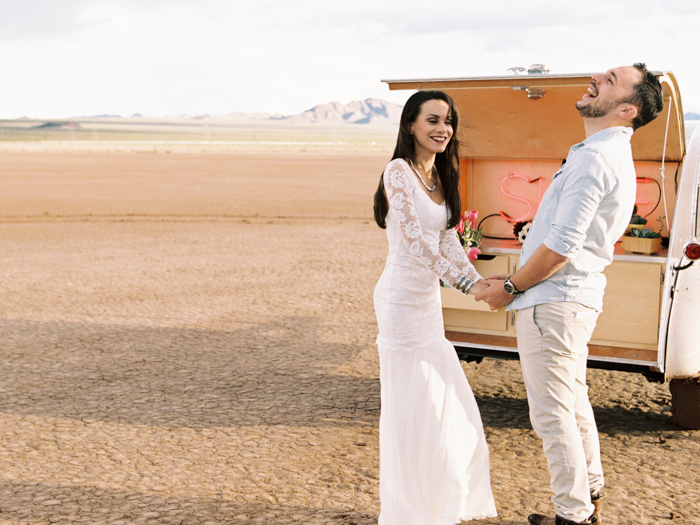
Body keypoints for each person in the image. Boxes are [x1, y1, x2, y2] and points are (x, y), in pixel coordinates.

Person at [475, 64, 664, 525]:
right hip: (570, 300)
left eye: (613, 77)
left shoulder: (594, 158)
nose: (598, 75)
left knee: (552, 416)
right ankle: (589, 494)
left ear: (626, 108)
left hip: (553, 303)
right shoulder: (602, 152)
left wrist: (509, 286)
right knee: (572, 403)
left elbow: (563, 245)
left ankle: (573, 516)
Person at [372, 90, 497, 524]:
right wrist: (469, 287)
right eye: (432, 120)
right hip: (401, 304)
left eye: (448, 121)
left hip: (428, 305)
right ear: (410, 125)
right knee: (414, 409)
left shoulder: (441, 176)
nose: (443, 128)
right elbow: (415, 242)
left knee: (445, 408)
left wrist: (480, 281)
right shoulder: (399, 172)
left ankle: (437, 503)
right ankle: (412, 511)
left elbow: (448, 240)